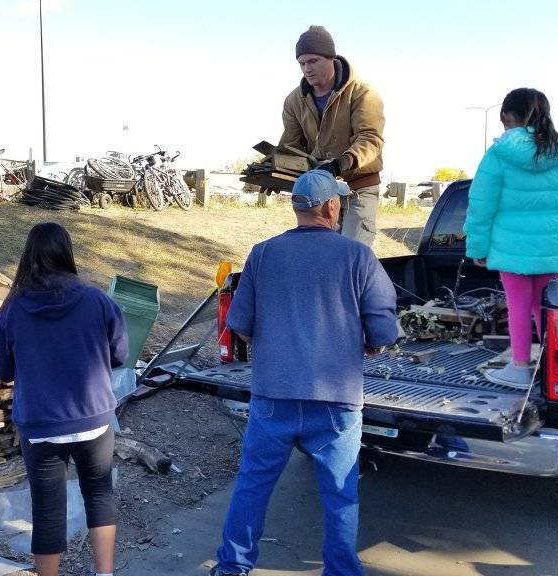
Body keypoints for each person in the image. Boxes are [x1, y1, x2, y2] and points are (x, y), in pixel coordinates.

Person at [210, 169, 399, 576]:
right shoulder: (358, 256)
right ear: (333, 206)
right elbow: (383, 329)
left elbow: (240, 323)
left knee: (253, 485)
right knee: (339, 494)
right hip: (336, 401)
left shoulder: (263, 253)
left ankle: (232, 568)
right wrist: (371, 341)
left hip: (273, 394)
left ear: (295, 207)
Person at [0, 222, 128, 576]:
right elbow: (120, 355)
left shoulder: (13, 309)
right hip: (94, 420)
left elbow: (3, 370)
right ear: (67, 254)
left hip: (40, 426)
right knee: (99, 496)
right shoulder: (97, 300)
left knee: (48, 511)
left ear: (28, 256)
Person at [463, 88, 558, 389]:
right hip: (553, 247)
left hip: (512, 248)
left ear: (507, 116)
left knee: (518, 305)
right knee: (544, 306)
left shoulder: (499, 153)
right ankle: (551, 365)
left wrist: (477, 247)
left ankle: (520, 367)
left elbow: (482, 204)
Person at [279, 25, 385, 247]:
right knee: (320, 254)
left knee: (352, 256)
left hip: (359, 188)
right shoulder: (293, 101)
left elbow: (370, 139)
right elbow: (291, 146)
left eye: (313, 61)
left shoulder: (362, 93)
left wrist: (338, 165)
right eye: (302, 63)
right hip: (319, 193)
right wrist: (274, 171)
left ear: (331, 58)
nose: (307, 68)